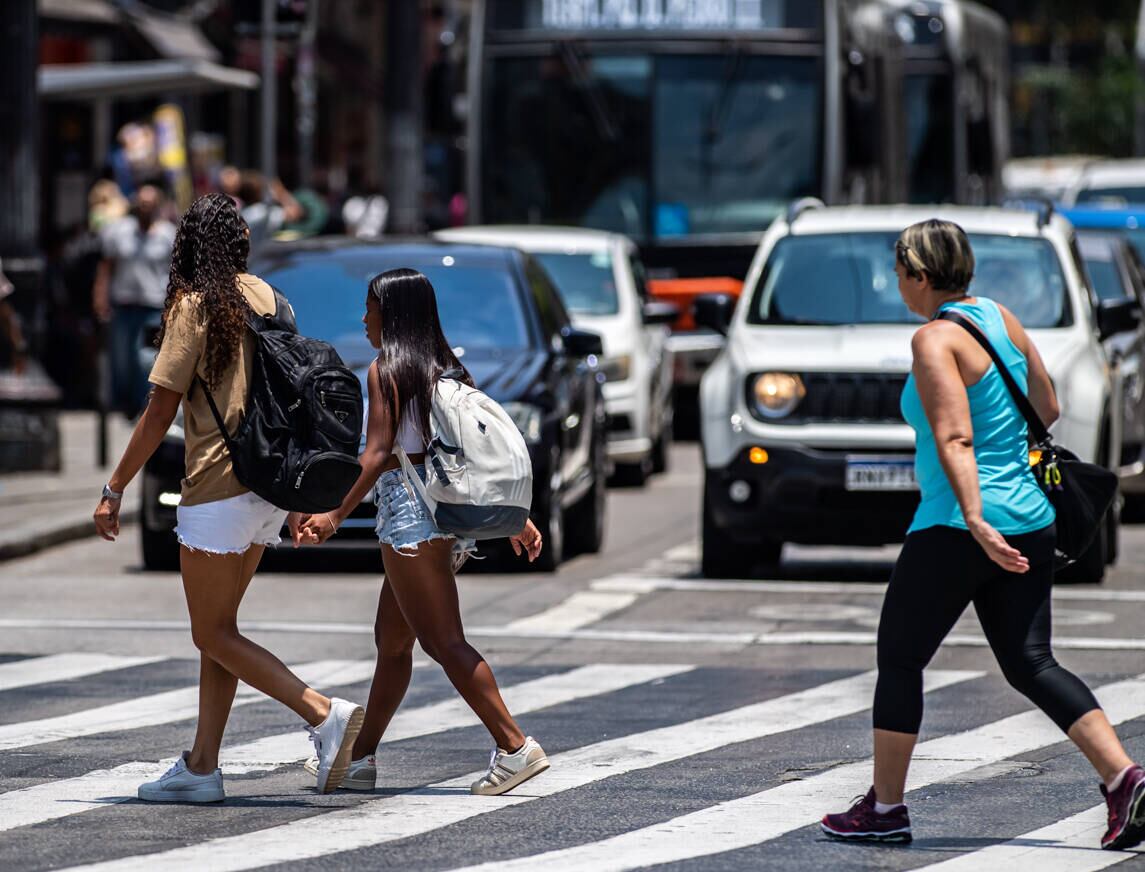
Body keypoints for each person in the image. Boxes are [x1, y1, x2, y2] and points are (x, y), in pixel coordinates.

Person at [821, 219, 1145, 850]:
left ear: (920, 275)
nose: (896, 285)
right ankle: (1123, 777)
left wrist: (974, 517)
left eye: (899, 273)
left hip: (957, 524)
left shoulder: (934, 339)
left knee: (900, 659)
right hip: (1029, 517)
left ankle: (885, 809)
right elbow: (1046, 407)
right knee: (1032, 662)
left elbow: (954, 438)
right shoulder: (1000, 317)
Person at [92, 194, 364, 803]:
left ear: (188, 247)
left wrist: (115, 487)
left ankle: (322, 713)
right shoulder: (269, 297)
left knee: (212, 633)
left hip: (217, 485)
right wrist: (294, 501)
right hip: (268, 485)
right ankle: (202, 767)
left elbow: (161, 405)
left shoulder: (195, 305)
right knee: (221, 631)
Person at [299, 268, 550, 796]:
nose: (364, 318)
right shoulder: (445, 371)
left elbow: (374, 455)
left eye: (370, 308)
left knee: (444, 641)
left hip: (411, 524)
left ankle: (514, 746)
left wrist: (332, 514)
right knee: (392, 644)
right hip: (435, 520)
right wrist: (513, 518)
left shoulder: (385, 370)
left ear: (391, 314)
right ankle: (361, 757)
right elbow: (464, 458)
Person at [92, 183, 176, 417]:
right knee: (122, 359)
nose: (145, 208)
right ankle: (125, 404)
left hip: (153, 306)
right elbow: (106, 268)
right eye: (141, 203)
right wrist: (100, 298)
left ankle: (145, 405)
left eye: (149, 204)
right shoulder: (118, 232)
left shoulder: (168, 235)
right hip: (124, 305)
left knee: (145, 360)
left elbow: (175, 273)